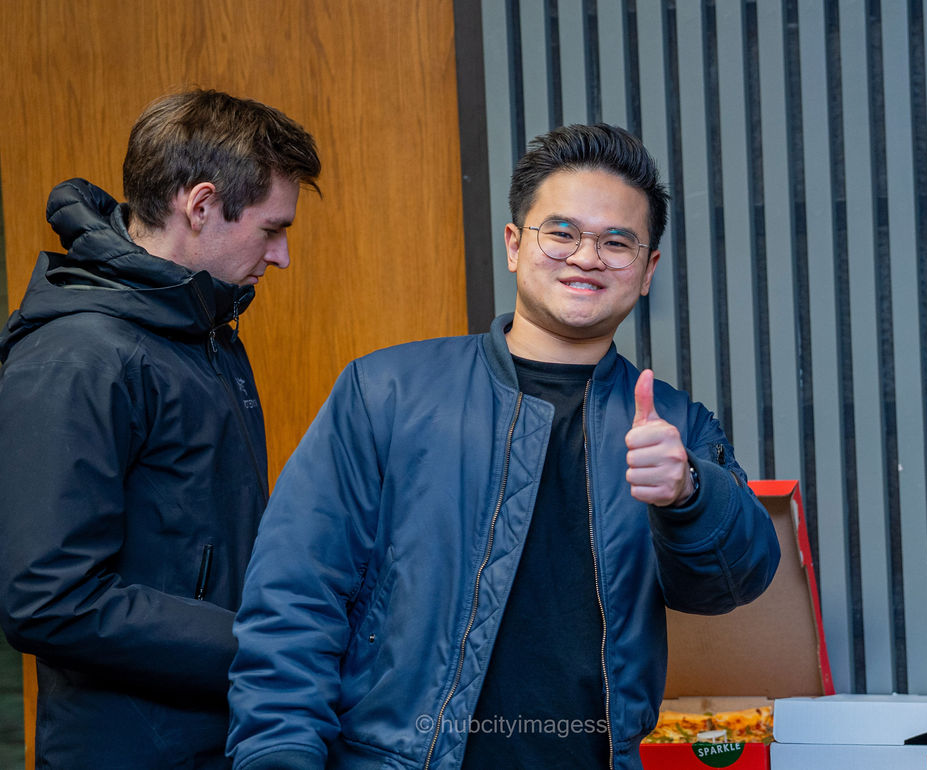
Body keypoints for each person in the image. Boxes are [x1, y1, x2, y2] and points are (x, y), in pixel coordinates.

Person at [227, 123, 779, 770]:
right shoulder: (387, 392)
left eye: (616, 242)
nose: (586, 257)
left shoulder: (675, 426)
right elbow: (294, 597)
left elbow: (734, 582)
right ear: (515, 245)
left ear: (647, 269)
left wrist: (688, 494)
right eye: (562, 233)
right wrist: (279, 755)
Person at [0, 89, 320, 769]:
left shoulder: (205, 332)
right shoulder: (77, 358)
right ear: (200, 206)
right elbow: (48, 599)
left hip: (221, 731)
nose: (282, 255)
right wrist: (264, 646)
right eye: (271, 229)